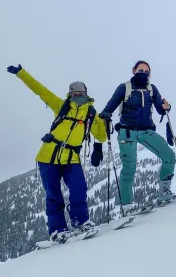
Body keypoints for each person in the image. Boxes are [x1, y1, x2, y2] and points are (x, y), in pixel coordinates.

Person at [6, 64, 107, 242]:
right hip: (48, 157)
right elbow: (40, 90)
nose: (78, 97)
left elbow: (101, 136)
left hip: (71, 158)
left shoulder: (92, 114)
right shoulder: (61, 105)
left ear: (86, 93)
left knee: (79, 188)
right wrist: (21, 73)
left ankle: (81, 221)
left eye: (81, 94)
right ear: (70, 94)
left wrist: (103, 121)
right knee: (53, 195)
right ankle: (58, 230)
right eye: (74, 94)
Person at [99, 60, 176, 213]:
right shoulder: (124, 87)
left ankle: (164, 193)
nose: (144, 73)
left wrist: (166, 107)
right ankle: (127, 206)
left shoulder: (152, 89)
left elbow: (161, 109)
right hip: (126, 132)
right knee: (129, 168)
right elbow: (109, 108)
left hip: (146, 130)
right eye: (140, 70)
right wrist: (105, 117)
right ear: (134, 70)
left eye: (147, 71)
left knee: (169, 157)